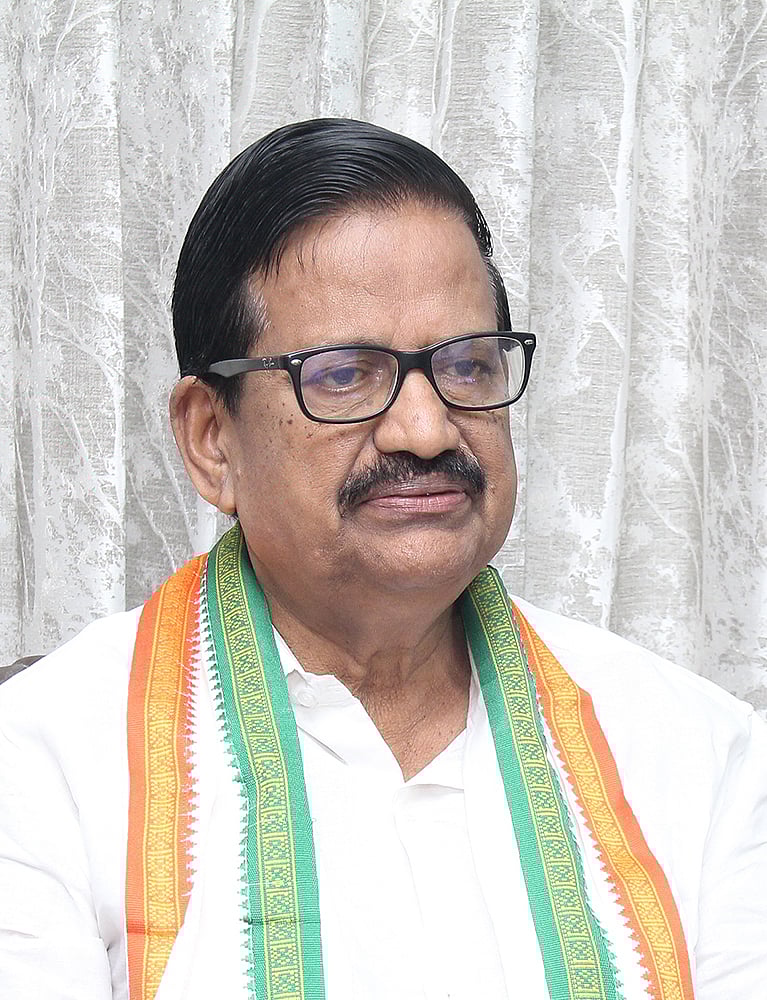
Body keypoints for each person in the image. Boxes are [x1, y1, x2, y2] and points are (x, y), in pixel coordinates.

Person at [1, 118, 765, 1000]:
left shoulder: (700, 754)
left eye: (467, 366)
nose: (426, 429)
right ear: (212, 439)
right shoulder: (42, 763)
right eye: (343, 374)